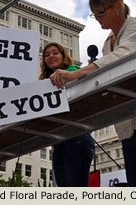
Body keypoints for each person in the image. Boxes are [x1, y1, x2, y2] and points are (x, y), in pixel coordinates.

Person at [50, 0, 136, 187]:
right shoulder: (107, 43)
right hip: (127, 123)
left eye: (101, 12)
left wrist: (76, 74)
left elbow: (122, 56)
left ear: (117, 7)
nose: (98, 19)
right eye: (95, 15)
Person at [40, 42, 95, 187]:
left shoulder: (74, 70)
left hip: (77, 138)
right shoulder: (43, 84)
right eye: (47, 55)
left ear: (63, 56)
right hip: (59, 143)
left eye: (55, 53)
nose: (51, 56)